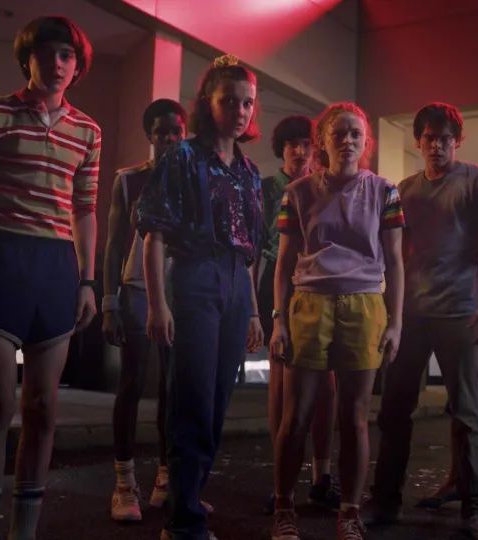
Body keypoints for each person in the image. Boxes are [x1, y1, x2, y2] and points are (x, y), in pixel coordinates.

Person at [0, 16, 99, 540]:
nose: (56, 63)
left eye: (66, 55)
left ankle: (23, 532)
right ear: (27, 59)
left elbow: (84, 209)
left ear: (77, 66)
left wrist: (87, 281)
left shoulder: (88, 131)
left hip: (55, 268)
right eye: (46, 53)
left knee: (43, 407)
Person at [369, 102, 478, 540]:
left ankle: (476, 509)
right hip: (411, 314)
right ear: (418, 141)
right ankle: (385, 503)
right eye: (429, 138)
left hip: (461, 313)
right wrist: (390, 312)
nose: (437, 145)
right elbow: (393, 255)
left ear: (458, 141)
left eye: (445, 138)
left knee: (466, 413)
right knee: (394, 410)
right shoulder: (405, 190)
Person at [137, 54, 265, 540]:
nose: (240, 111)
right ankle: (182, 520)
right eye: (229, 100)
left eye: (247, 103)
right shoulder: (183, 158)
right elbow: (154, 234)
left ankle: (187, 492)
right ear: (208, 103)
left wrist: (253, 311)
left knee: (216, 402)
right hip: (194, 276)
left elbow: (248, 251)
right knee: (190, 398)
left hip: (235, 282)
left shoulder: (249, 171)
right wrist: (157, 303)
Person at [269, 102, 405, 540]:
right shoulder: (298, 192)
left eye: (356, 134)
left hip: (365, 306)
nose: (348, 141)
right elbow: (284, 261)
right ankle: (284, 507)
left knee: (355, 416)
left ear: (365, 143)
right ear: (322, 141)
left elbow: (395, 261)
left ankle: (349, 512)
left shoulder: (385, 192)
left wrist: (395, 322)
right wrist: (279, 320)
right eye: (339, 133)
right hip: (310, 304)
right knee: (296, 415)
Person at [101, 99, 191, 521]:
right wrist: (109, 302)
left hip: (181, 291)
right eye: (161, 132)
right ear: (149, 136)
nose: (170, 138)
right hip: (136, 288)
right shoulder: (129, 179)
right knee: (133, 382)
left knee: (174, 388)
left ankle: (166, 478)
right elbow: (113, 244)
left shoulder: (195, 178)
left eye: (176, 131)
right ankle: (124, 483)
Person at [257, 115, 340, 515]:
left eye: (306, 144)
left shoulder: (325, 185)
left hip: (321, 285)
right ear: (282, 149)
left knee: (326, 382)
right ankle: (282, 480)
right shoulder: (266, 188)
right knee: (281, 383)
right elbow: (254, 246)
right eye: (292, 144)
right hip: (279, 282)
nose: (299, 151)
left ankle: (323, 475)